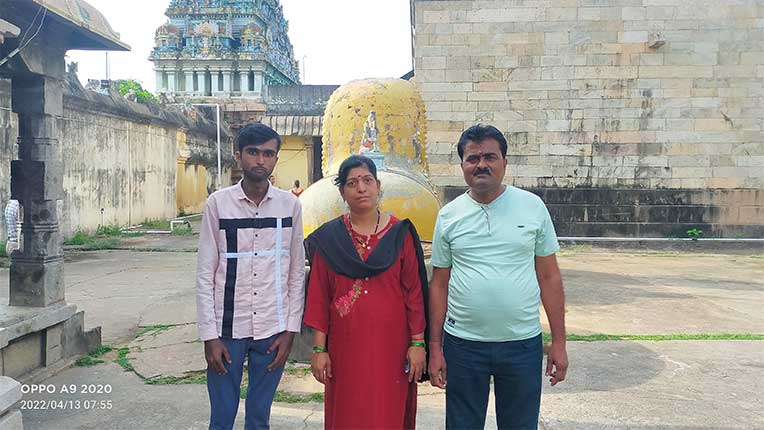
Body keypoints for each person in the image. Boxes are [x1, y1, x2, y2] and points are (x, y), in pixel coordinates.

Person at [427, 124, 568, 430]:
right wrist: (435, 347)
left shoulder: (532, 207)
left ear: (505, 162)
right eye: (472, 158)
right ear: (462, 165)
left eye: (490, 156)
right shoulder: (449, 216)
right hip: (463, 344)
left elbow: (549, 277)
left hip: (521, 343)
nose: (481, 164)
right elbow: (439, 283)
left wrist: (559, 342)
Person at [303, 155, 429, 429]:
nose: (361, 188)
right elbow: (320, 296)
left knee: (388, 413)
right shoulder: (329, 239)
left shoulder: (400, 234)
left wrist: (417, 344)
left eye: (367, 181)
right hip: (345, 350)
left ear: (378, 185)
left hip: (393, 350)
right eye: (352, 183)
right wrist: (319, 349)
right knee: (348, 413)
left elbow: (414, 293)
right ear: (342, 192)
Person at [196, 123, 306, 430]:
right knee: (222, 417)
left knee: (259, 417)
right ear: (238, 156)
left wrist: (291, 331)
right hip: (226, 328)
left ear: (275, 159)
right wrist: (209, 336)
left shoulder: (290, 206)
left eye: (268, 153)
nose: (260, 160)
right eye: (253, 152)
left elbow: (297, 272)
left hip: (274, 328)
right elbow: (205, 273)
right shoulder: (218, 204)